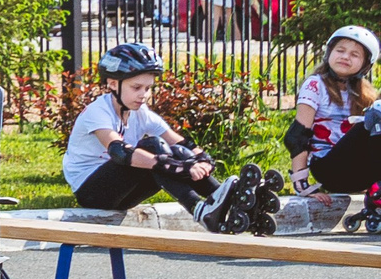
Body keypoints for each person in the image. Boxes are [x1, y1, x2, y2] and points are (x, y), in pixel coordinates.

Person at [61, 42, 266, 233]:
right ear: (113, 84)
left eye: (148, 88)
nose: (144, 95)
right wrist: (179, 167)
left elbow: (181, 143)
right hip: (91, 192)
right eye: (136, 88)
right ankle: (200, 209)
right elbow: (119, 151)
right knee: (154, 148)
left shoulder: (140, 112)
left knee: (176, 152)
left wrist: (202, 159)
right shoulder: (98, 112)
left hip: (121, 192)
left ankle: (234, 201)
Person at [288, 25, 381, 200]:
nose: (345, 56)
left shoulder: (364, 94)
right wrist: (303, 186)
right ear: (329, 53)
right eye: (340, 50)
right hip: (329, 170)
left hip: (358, 173)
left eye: (355, 54)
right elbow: (297, 136)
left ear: (365, 65)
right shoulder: (316, 85)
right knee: (377, 113)